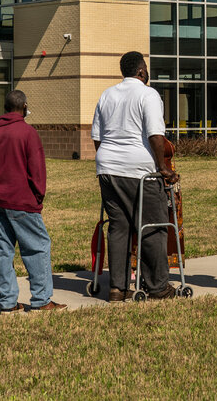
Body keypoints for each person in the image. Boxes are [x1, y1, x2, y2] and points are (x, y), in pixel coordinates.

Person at [92, 51, 177, 302]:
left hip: (107, 169)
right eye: (146, 68)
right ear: (141, 71)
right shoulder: (148, 94)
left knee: (119, 227)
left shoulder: (107, 94)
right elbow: (155, 135)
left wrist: (110, 159)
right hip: (139, 171)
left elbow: (97, 136)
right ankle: (158, 287)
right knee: (153, 225)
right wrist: (163, 168)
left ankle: (118, 288)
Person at [0, 90, 65, 313]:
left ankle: (7, 303)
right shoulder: (27, 132)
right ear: (24, 106)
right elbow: (37, 171)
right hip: (22, 202)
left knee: (4, 251)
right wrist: (37, 197)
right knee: (37, 248)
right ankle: (42, 300)